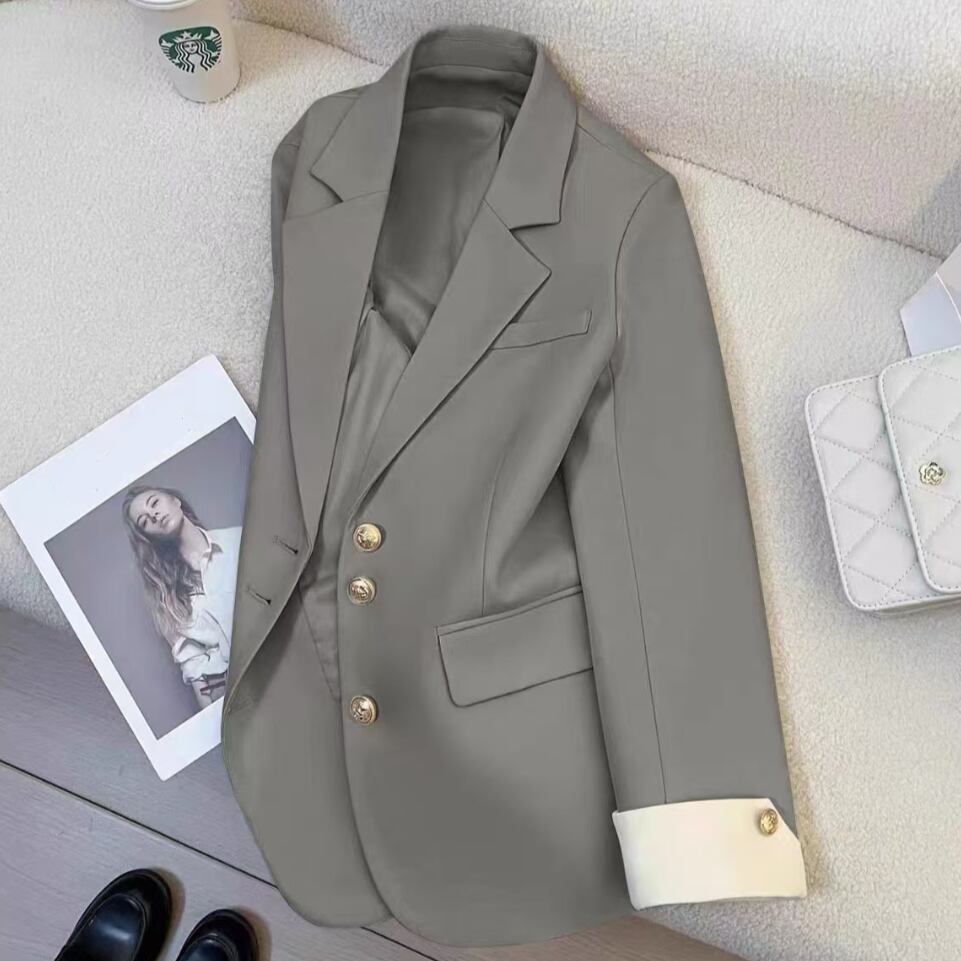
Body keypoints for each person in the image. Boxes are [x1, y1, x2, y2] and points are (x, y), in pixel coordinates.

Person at [122, 484, 242, 708]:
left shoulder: (239, 540)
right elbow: (195, 666)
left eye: (154, 503)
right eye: (144, 521)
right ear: (149, 537)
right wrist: (213, 719)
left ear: (175, 500)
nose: (154, 515)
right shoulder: (167, 597)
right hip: (235, 694)